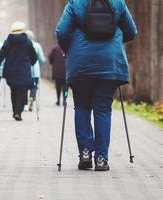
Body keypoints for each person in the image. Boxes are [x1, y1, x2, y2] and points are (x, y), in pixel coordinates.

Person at [56, 0, 137, 171]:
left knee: (82, 106)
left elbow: (62, 32)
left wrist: (67, 50)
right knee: (103, 109)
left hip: (81, 64)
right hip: (109, 62)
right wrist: (116, 40)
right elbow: (131, 31)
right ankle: (101, 159)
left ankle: (85, 152)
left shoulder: (75, 2)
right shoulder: (118, 2)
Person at [0, 21, 37, 121]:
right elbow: (34, 56)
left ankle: (15, 111)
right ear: (22, 30)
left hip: (11, 70)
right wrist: (31, 62)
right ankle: (18, 112)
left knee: (14, 90)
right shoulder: (27, 41)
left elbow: (0, 56)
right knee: (22, 91)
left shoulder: (8, 41)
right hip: (24, 70)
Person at [25, 31, 46, 112]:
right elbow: (42, 59)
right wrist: (39, 65)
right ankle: (31, 100)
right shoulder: (37, 45)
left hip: (26, 70)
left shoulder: (24, 45)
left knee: (25, 87)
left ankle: (25, 103)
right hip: (35, 69)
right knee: (34, 87)